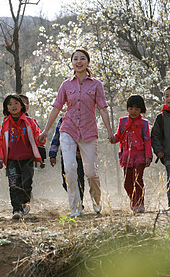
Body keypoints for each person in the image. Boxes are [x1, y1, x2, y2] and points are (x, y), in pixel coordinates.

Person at [38, 48, 114, 217]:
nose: (79, 62)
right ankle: (75, 207)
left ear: (87, 62)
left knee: (91, 172)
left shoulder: (96, 84)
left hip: (88, 131)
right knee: (70, 168)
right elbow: (56, 107)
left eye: (82, 59)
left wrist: (110, 131)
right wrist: (45, 131)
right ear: (72, 63)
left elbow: (102, 108)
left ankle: (96, 202)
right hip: (68, 129)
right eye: (75, 59)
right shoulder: (66, 85)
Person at [0, 94, 46, 219]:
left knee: (26, 184)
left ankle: (24, 202)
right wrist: (0, 158)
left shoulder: (29, 121)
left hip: (27, 159)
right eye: (10, 104)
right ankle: (16, 210)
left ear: (21, 106)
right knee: (13, 184)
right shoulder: (5, 124)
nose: (13, 106)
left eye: (16, 103)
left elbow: (37, 137)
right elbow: (0, 141)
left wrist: (41, 139)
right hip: (12, 160)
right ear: (6, 108)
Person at [110, 94, 152, 213]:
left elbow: (147, 140)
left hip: (140, 155)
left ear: (141, 110)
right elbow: (119, 135)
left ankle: (140, 204)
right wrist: (113, 138)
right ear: (127, 108)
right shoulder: (123, 121)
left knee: (138, 180)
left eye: (137, 109)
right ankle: (134, 200)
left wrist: (148, 156)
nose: (134, 111)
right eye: (131, 108)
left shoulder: (144, 124)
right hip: (126, 156)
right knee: (127, 182)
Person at [49, 116, 85, 206]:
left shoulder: (85, 118)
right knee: (66, 181)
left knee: (79, 179)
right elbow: (56, 137)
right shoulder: (63, 120)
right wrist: (52, 154)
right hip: (66, 155)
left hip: (80, 156)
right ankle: (75, 198)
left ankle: (79, 202)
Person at [19, 94, 46, 169]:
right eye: (23, 102)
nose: (25, 105)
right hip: (13, 158)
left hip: (28, 157)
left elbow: (38, 138)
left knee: (27, 178)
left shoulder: (31, 122)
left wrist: (42, 158)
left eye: (27, 103)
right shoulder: (8, 122)